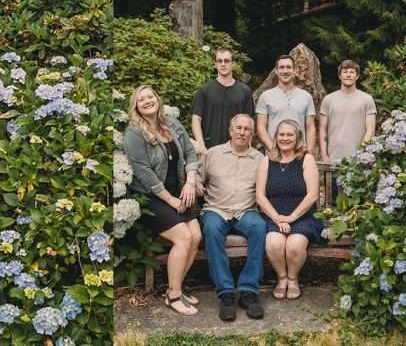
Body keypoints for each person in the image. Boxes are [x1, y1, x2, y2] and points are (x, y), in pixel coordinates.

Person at [123, 85, 202, 315]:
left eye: (150, 96)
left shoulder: (171, 123)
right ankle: (174, 296)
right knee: (184, 237)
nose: (147, 101)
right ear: (136, 107)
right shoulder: (134, 134)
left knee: (196, 236)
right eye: (141, 99)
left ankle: (174, 287)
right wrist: (171, 200)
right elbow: (144, 174)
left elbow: (189, 152)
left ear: (157, 99)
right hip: (152, 198)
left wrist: (191, 180)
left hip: (179, 191)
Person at [199, 114, 266, 321]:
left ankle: (248, 291)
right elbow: (198, 181)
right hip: (216, 209)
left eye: (247, 129)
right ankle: (226, 293)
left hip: (246, 211)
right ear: (231, 131)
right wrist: (194, 185)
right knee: (211, 229)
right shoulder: (213, 154)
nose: (242, 132)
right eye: (238, 128)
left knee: (259, 227)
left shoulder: (259, 158)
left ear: (252, 134)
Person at [255, 119, 323, 301]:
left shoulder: (306, 159)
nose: (285, 138)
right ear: (276, 137)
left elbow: (313, 195)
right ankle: (281, 278)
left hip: (303, 216)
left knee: (294, 245)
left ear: (297, 138)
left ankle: (293, 279)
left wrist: (291, 217)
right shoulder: (267, 160)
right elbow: (260, 196)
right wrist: (277, 218)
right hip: (274, 216)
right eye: (281, 134)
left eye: (290, 134)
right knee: (274, 243)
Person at [191, 49, 255, 154]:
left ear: (233, 64)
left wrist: (247, 148)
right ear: (215, 64)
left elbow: (250, 123)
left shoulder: (245, 91)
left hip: (237, 150)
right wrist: (202, 147)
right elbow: (196, 119)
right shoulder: (204, 90)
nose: (223, 64)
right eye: (219, 61)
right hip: (210, 149)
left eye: (227, 61)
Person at [319, 59, 376, 165]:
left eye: (352, 72)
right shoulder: (328, 100)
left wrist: (361, 154)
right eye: (345, 72)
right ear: (340, 76)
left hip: (358, 162)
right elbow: (322, 129)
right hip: (333, 160)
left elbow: (370, 130)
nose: (348, 75)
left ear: (357, 76)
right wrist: (324, 156)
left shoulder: (367, 99)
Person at [256, 55, 316, 153]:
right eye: (281, 67)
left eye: (288, 67)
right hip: (274, 154)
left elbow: (311, 128)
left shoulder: (306, 96)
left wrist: (309, 152)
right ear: (276, 71)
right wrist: (272, 148)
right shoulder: (265, 96)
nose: (285, 71)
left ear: (295, 70)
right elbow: (260, 126)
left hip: (299, 153)